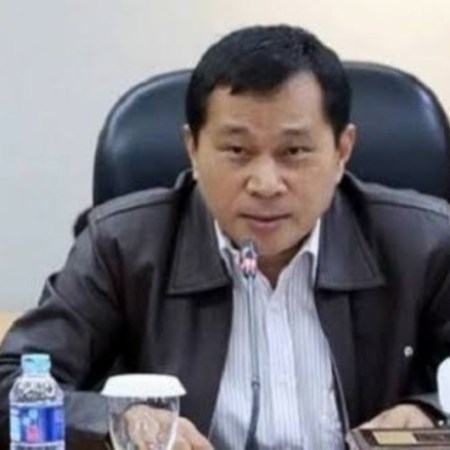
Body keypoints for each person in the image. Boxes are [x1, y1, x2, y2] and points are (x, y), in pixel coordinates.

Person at [1, 24, 450, 450]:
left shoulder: (425, 243)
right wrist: (118, 421)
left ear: (342, 151)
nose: (266, 184)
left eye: (294, 151)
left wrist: (432, 411)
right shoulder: (122, 246)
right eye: (237, 150)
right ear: (193, 149)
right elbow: (12, 386)